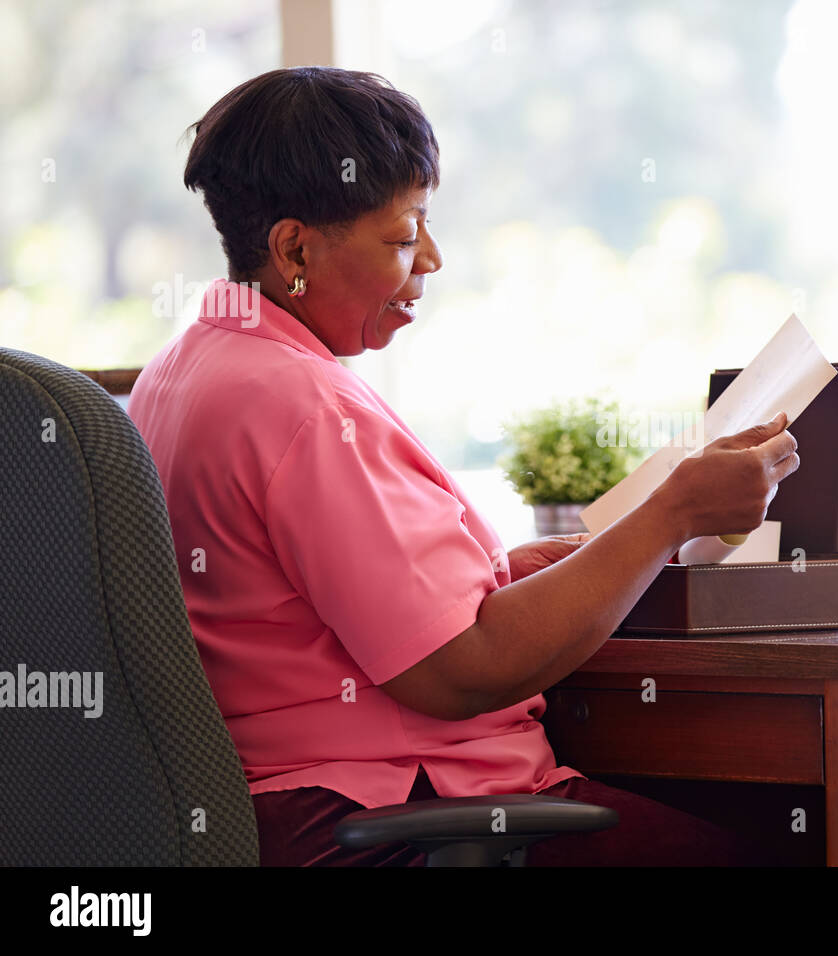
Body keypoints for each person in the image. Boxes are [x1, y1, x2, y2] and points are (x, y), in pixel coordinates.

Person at [128, 66, 800, 866]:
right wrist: (669, 517)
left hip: (281, 811)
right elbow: (462, 671)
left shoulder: (184, 369)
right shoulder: (304, 405)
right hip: (399, 811)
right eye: (404, 235)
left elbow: (294, 607)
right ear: (293, 247)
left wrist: (493, 576)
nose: (432, 259)